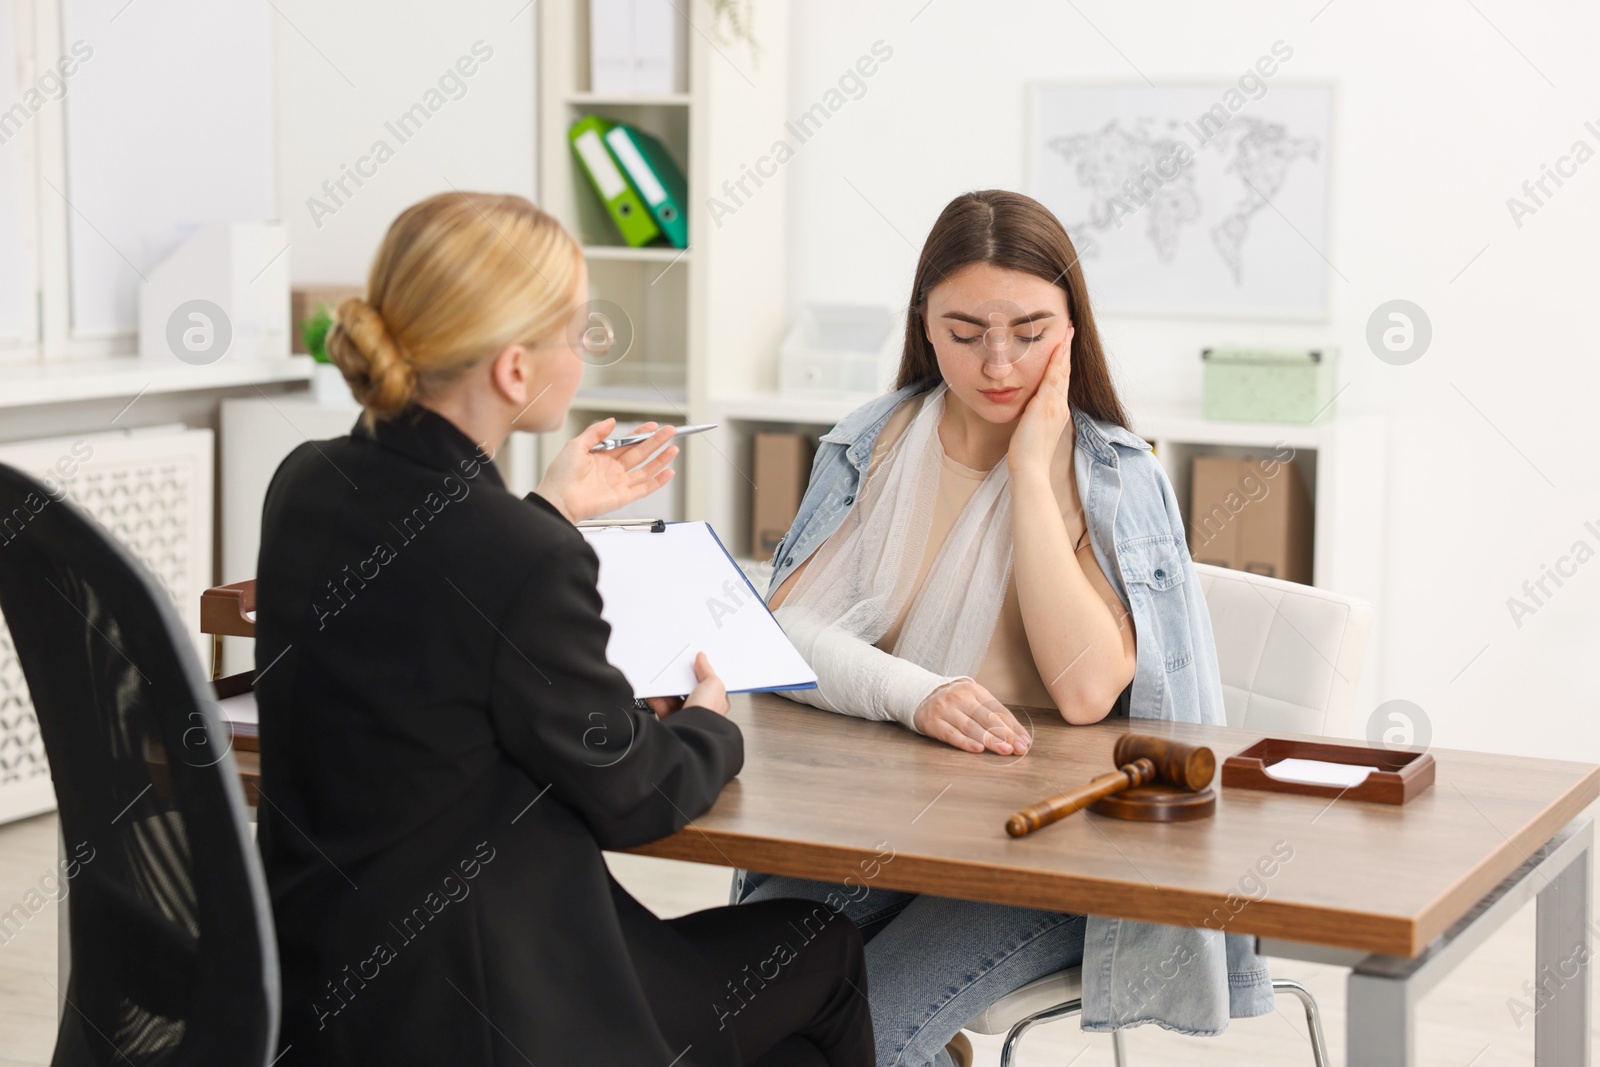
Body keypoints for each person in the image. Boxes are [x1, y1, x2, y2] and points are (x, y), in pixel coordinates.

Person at [254, 191, 874, 1067]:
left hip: (331, 990)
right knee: (825, 950)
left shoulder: (304, 483)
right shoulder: (515, 555)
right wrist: (709, 720)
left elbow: (430, 634)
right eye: (580, 333)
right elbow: (637, 797)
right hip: (492, 1011)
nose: (584, 354)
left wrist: (546, 511)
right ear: (514, 370)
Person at [735, 190, 1273, 1066]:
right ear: (923, 325)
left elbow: (1086, 691)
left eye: (1030, 332)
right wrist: (911, 695)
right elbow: (784, 634)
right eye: (964, 331)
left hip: (1053, 850)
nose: (997, 362)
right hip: (879, 818)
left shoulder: (1110, 475)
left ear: (1073, 326)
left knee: (853, 1042)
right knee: (721, 1009)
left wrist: (1030, 469)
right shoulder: (871, 442)